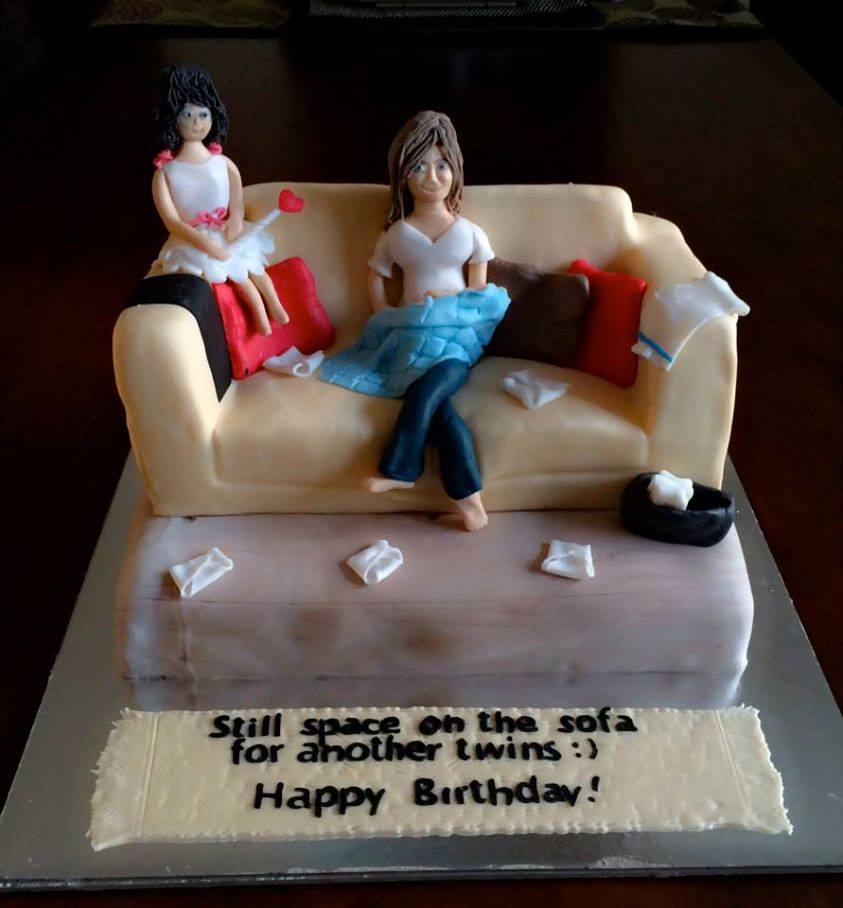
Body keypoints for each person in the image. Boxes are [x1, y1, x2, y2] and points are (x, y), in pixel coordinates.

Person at [320, 111, 510, 531]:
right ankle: (471, 507)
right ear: (403, 175)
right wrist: (384, 312)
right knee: (437, 408)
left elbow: (479, 292)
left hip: (458, 338)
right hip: (409, 333)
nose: (431, 177)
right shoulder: (396, 233)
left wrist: (452, 304)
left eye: (441, 165)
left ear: (455, 172)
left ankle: (401, 469)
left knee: (426, 392)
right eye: (419, 167)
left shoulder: (470, 231)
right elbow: (376, 275)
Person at [149, 64, 287, 336]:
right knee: (235, 274)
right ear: (173, 119)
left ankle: (275, 306)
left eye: (203, 115)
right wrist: (205, 243)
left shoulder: (223, 163)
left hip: (226, 230)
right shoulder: (166, 173)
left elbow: (237, 200)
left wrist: (235, 221)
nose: (197, 123)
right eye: (188, 115)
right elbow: (172, 221)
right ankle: (260, 321)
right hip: (193, 239)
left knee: (255, 267)